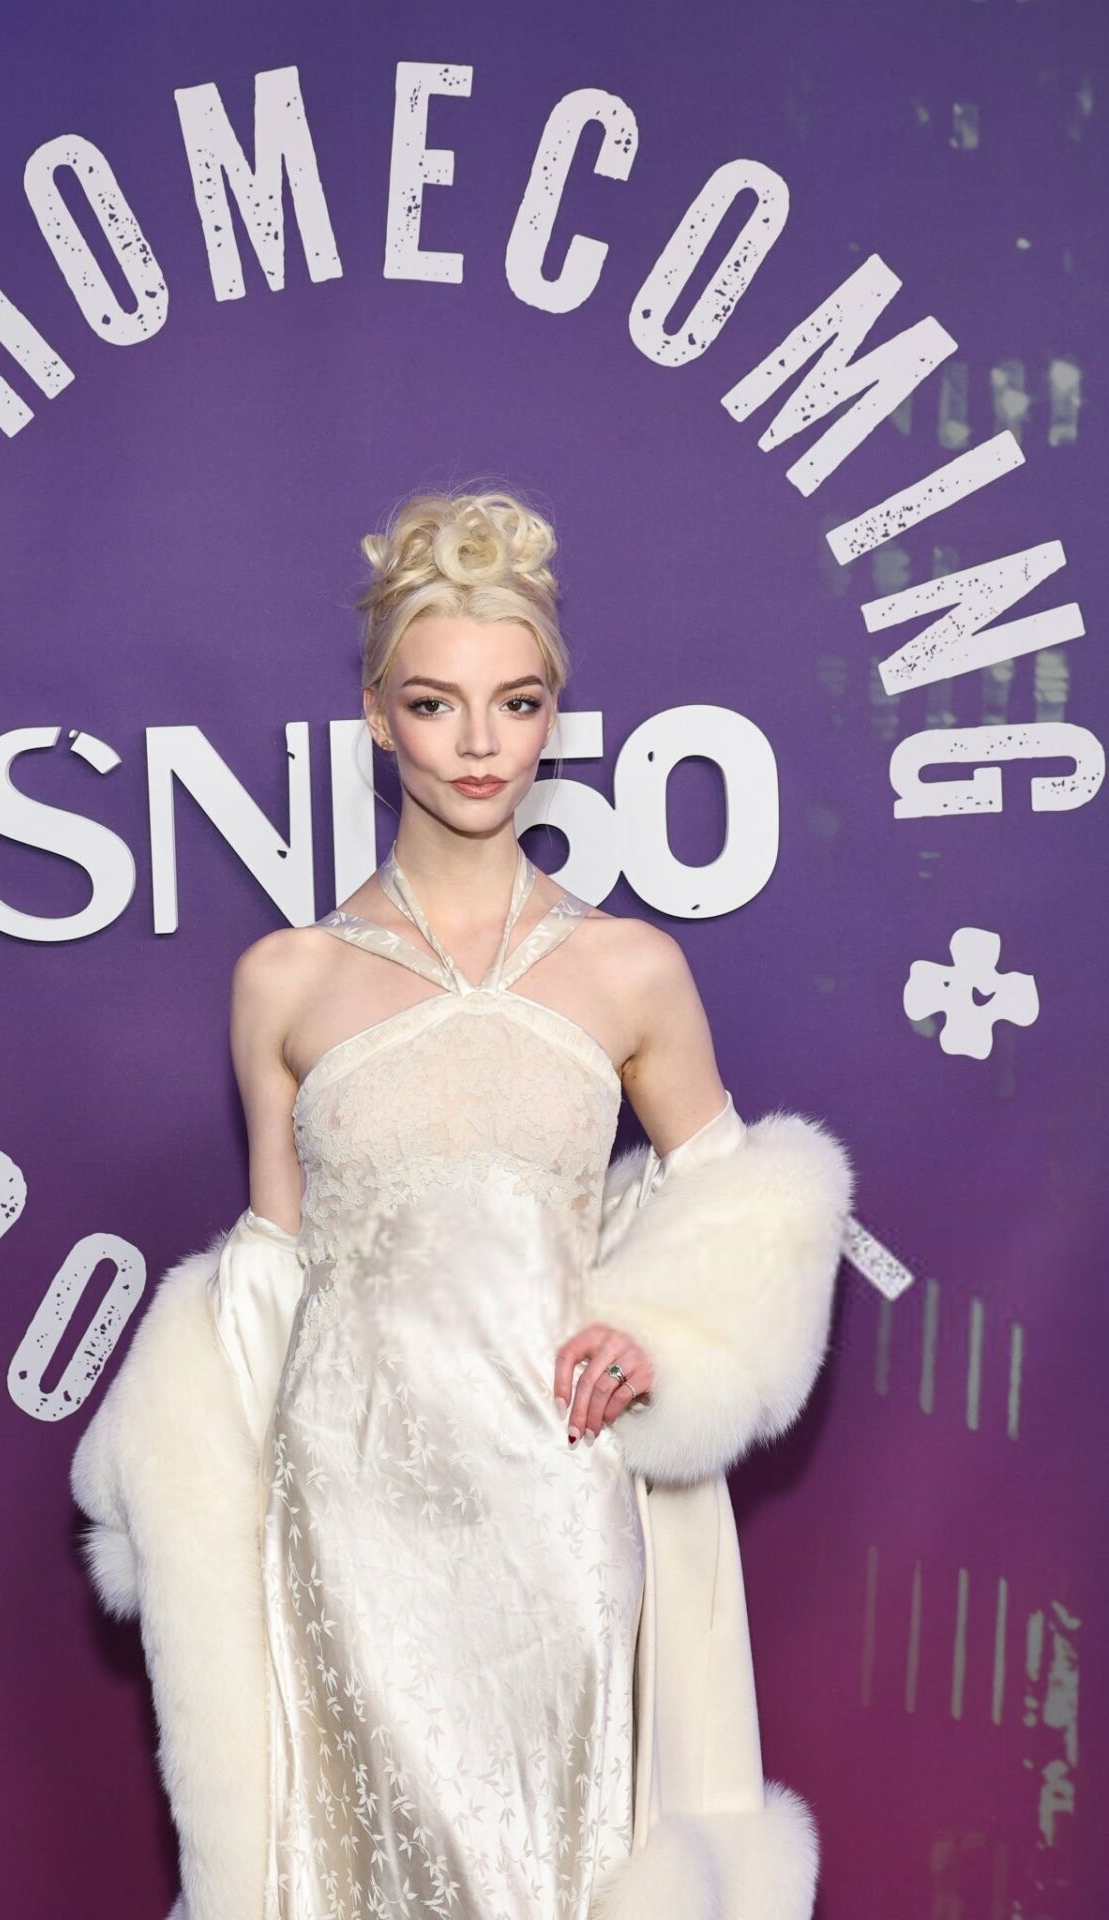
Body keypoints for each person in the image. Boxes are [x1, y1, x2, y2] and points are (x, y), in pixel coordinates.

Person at [72, 490, 855, 1920]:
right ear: (379, 718)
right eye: (436, 704)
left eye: (517, 702)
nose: (480, 743)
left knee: (551, 1861)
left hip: (557, 1497)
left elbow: (747, 1211)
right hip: (347, 1512)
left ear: (554, 715)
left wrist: (666, 1342)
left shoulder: (630, 970)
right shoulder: (286, 980)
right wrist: (174, 1479)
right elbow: (271, 1273)